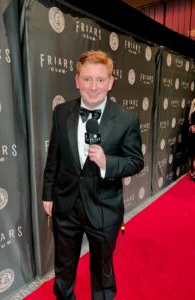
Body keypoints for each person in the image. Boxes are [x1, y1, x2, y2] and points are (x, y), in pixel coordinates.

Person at [42, 50, 144, 300]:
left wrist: (106, 162)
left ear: (110, 82)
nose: (93, 86)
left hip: (103, 206)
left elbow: (135, 161)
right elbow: (53, 156)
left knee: (102, 268)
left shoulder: (126, 119)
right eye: (87, 79)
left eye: (100, 80)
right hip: (65, 204)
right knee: (64, 266)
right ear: (77, 80)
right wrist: (47, 194)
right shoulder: (61, 112)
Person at [188, 98, 195, 180]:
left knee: (193, 155)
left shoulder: (192, 113)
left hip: (192, 136)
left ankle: (193, 172)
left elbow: (190, 125)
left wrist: (191, 127)